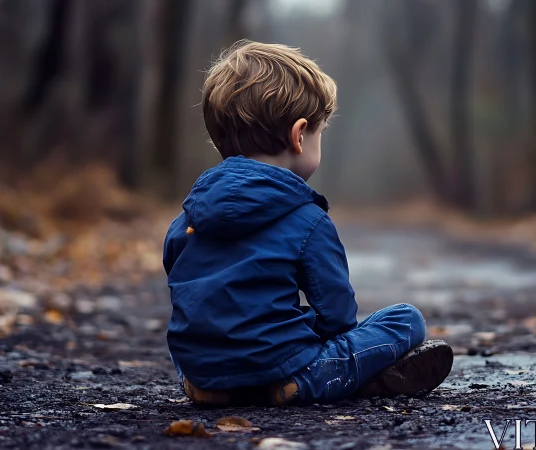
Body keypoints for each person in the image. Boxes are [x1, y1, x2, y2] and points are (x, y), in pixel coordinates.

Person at [163, 40, 453, 406]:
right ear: (299, 136)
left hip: (204, 368)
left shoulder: (187, 218)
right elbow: (337, 315)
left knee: (207, 336)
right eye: (319, 134)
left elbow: (184, 290)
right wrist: (330, 343)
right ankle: (307, 384)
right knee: (406, 320)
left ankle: (208, 388)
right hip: (281, 366)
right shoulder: (306, 218)